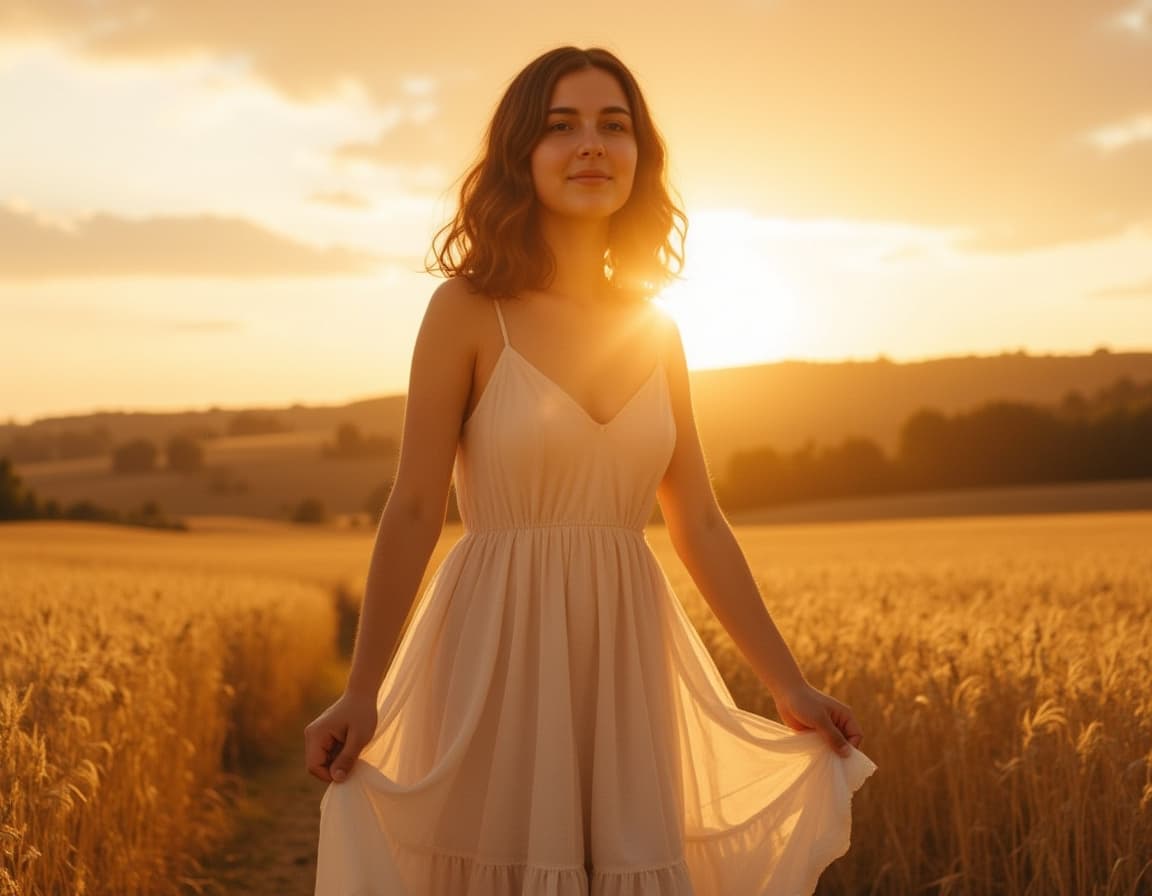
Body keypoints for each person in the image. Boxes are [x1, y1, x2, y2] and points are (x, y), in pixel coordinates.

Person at [305, 45, 876, 895]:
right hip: (492, 643)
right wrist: (361, 690)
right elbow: (417, 503)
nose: (591, 146)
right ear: (520, 156)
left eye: (615, 126)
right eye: (560, 126)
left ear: (640, 157)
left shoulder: (661, 330)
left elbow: (700, 523)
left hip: (628, 648)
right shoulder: (466, 310)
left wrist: (785, 683)